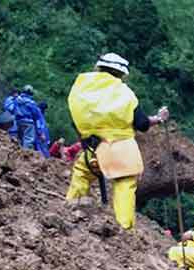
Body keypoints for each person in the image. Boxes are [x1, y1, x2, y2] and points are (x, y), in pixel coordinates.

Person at [66, 52, 169, 230]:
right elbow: (142, 124)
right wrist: (158, 119)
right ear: (121, 73)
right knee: (124, 185)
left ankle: (71, 212)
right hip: (121, 151)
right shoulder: (124, 93)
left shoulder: (80, 87)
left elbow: (74, 120)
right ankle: (124, 230)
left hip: (91, 148)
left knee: (82, 175)